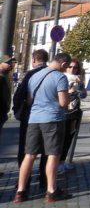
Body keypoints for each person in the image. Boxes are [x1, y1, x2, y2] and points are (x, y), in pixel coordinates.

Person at [14, 51, 71, 203]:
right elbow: (63, 103)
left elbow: (30, 99)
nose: (66, 70)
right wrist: (70, 94)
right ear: (63, 64)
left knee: (29, 155)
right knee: (53, 155)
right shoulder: (60, 77)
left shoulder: (34, 76)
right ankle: (52, 191)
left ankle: (21, 191)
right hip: (52, 119)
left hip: (33, 119)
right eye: (66, 67)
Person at [15, 50, 52, 193]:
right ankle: (44, 180)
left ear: (33, 60)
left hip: (30, 118)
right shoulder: (52, 74)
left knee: (26, 151)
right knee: (47, 150)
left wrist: (19, 112)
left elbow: (19, 96)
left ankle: (24, 181)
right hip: (49, 117)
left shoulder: (30, 75)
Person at [58, 59, 85, 173]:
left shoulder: (79, 80)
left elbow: (84, 95)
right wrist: (70, 90)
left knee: (69, 138)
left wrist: (81, 88)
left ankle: (63, 162)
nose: (72, 69)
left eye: (75, 67)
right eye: (70, 67)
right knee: (61, 139)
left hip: (74, 111)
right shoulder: (61, 77)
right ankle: (57, 164)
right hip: (63, 111)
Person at [0, 53, 13, 138]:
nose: (10, 65)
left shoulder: (6, 76)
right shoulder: (1, 77)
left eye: (11, 62)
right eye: (8, 63)